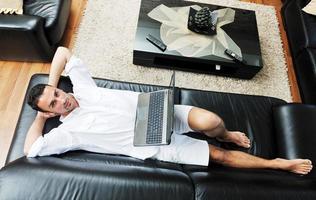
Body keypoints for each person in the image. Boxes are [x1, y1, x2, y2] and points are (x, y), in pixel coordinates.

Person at [24, 47, 313, 175]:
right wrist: (41, 116)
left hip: (156, 109)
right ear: (51, 113)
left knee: (211, 121)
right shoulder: (68, 132)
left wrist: (50, 85)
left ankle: (225, 134)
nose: (62, 100)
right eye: (54, 104)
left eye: (58, 94)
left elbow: (62, 51)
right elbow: (32, 149)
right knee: (219, 157)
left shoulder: (81, 88)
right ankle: (278, 163)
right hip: (151, 144)